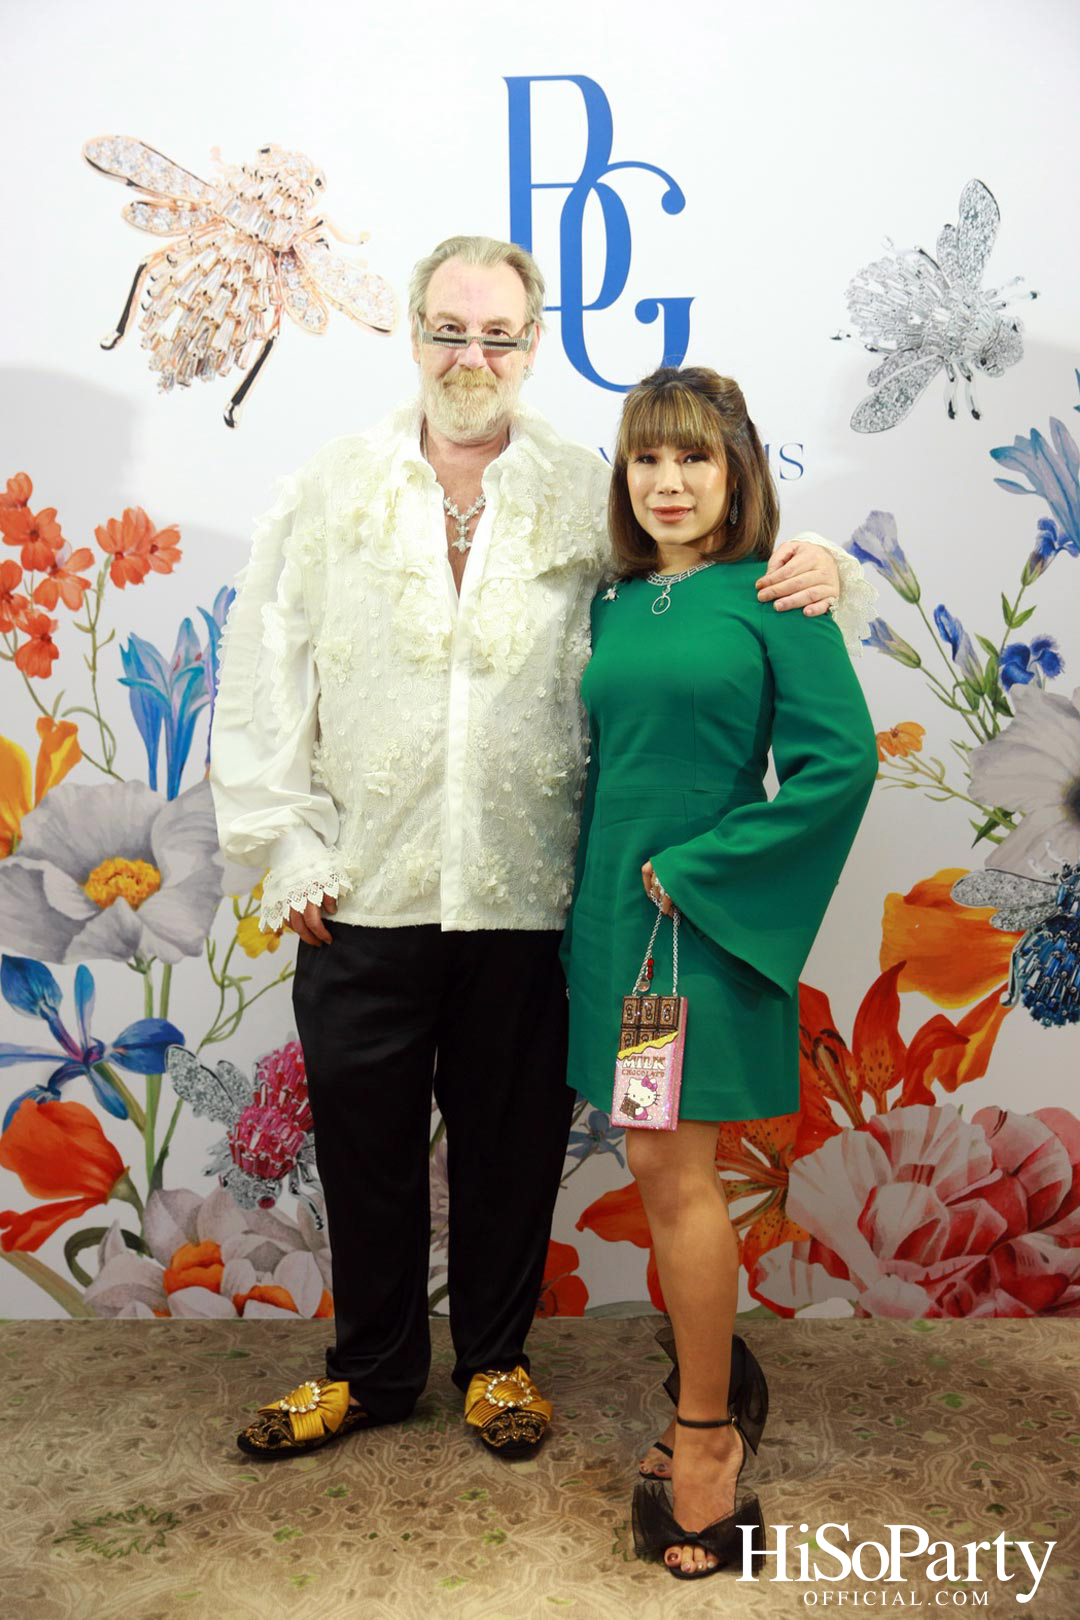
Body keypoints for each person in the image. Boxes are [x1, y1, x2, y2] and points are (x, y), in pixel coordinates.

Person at [209, 237, 872, 1463]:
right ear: (411, 333)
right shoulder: (329, 488)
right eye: (451, 328)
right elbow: (261, 670)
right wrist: (286, 849)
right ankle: (369, 1370)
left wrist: (823, 560)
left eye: (500, 333)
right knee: (363, 1144)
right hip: (369, 887)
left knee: (513, 1149)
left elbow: (706, 568)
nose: (474, 353)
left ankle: (498, 1364)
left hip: (531, 896)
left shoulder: (587, 486)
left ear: (534, 344)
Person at [561, 366, 878, 1579]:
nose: (670, 482)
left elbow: (840, 765)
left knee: (666, 1166)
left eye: (695, 459)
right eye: (647, 459)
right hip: (611, 934)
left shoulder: (775, 598)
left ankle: (704, 1435)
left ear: (738, 472)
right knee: (655, 1164)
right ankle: (719, 1379)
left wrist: (705, 865)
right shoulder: (611, 602)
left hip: (683, 924)